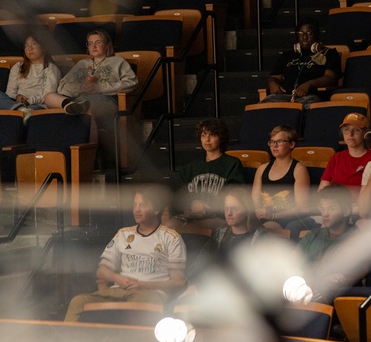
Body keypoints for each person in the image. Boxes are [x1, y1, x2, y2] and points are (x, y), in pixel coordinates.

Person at [64, 186, 186, 321]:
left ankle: (125, 341)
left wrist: (144, 285)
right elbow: (102, 271)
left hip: (149, 293)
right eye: (135, 205)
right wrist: (117, 278)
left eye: (142, 205)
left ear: (156, 209)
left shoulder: (171, 238)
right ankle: (68, 341)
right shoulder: (123, 234)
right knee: (78, 302)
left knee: (133, 309)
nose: (137, 210)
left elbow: (178, 282)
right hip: (118, 290)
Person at [45, 29, 137, 121]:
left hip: (105, 100)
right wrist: (81, 87)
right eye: (90, 43)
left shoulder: (118, 61)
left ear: (107, 45)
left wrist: (100, 87)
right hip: (78, 99)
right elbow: (62, 86)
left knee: (87, 110)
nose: (94, 46)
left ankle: (79, 110)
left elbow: (132, 82)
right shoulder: (82, 63)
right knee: (49, 97)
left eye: (98, 42)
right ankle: (73, 106)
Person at [172, 118, 244, 224]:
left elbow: (236, 193)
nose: (207, 139)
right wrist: (192, 202)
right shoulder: (191, 167)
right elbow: (178, 193)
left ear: (221, 138)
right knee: (170, 225)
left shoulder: (232, 164)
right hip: (191, 216)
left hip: (218, 216)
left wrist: (209, 206)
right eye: (203, 135)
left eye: (213, 135)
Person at [251, 125, 314, 233]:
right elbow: (255, 200)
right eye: (272, 142)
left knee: (264, 231)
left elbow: (301, 207)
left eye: (279, 141)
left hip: (285, 219)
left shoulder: (299, 170)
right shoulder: (262, 169)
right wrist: (260, 214)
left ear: (292, 144)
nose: (274, 146)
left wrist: (273, 215)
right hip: (263, 217)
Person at [264, 19, 340, 104]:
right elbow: (274, 77)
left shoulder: (329, 53)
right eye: (301, 34)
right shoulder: (287, 55)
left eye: (309, 33)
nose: (304, 37)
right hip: (283, 96)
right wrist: (272, 83)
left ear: (316, 35)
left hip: (310, 96)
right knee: (261, 109)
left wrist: (309, 84)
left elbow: (331, 78)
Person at [318, 113, 371, 201]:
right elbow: (322, 189)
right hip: (333, 207)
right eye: (346, 130)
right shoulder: (336, 158)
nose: (350, 134)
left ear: (365, 133)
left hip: (358, 208)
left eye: (356, 130)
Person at [0, 35, 59, 112]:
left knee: (35, 108)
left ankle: (21, 111)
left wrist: (29, 101)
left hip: (37, 105)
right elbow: (10, 92)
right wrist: (17, 96)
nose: (29, 48)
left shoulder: (51, 68)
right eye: (26, 45)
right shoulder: (18, 66)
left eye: (34, 44)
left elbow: (48, 96)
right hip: (16, 103)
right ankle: (20, 109)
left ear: (44, 47)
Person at [298, 184, 354, 264]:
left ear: (346, 211)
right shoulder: (313, 235)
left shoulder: (357, 238)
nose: (325, 214)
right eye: (322, 209)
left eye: (332, 208)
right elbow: (293, 261)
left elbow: (361, 270)